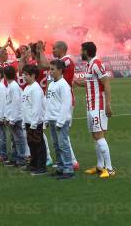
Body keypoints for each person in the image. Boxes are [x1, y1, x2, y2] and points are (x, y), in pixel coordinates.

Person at [74, 42, 116, 179]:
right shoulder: (89, 65)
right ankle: (99, 166)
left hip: (98, 106)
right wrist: (75, 82)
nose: (80, 53)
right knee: (95, 136)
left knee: (99, 135)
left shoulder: (97, 64)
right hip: (91, 106)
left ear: (86, 51)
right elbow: (90, 83)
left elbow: (107, 83)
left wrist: (108, 104)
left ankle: (109, 169)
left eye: (81, 50)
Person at [51, 40, 80, 171]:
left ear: (61, 49)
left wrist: (39, 52)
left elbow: (46, 65)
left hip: (65, 101)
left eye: (54, 48)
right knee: (60, 136)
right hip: (59, 101)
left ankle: (71, 162)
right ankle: (64, 162)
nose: (52, 51)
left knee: (63, 134)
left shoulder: (66, 60)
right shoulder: (63, 62)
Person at [45, 59, 75, 180]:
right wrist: (47, 118)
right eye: (50, 69)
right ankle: (60, 167)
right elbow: (49, 103)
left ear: (60, 70)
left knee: (63, 145)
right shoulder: (51, 84)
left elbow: (66, 104)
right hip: (52, 119)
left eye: (52, 69)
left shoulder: (63, 85)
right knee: (56, 145)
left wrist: (61, 121)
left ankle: (69, 169)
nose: (50, 72)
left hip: (60, 121)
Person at [22, 64, 47, 175]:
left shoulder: (36, 89)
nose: (24, 77)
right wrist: (24, 121)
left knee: (38, 144)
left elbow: (37, 107)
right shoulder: (27, 88)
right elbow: (25, 106)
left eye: (26, 75)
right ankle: (33, 164)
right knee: (31, 144)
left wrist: (34, 123)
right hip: (28, 121)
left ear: (32, 75)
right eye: (23, 74)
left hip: (35, 123)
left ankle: (41, 167)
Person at [2, 65, 27, 167]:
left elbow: (15, 104)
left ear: (4, 75)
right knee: (14, 139)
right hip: (13, 117)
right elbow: (10, 104)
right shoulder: (12, 86)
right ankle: (15, 158)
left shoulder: (13, 87)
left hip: (16, 118)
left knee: (18, 138)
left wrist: (11, 119)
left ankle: (20, 159)